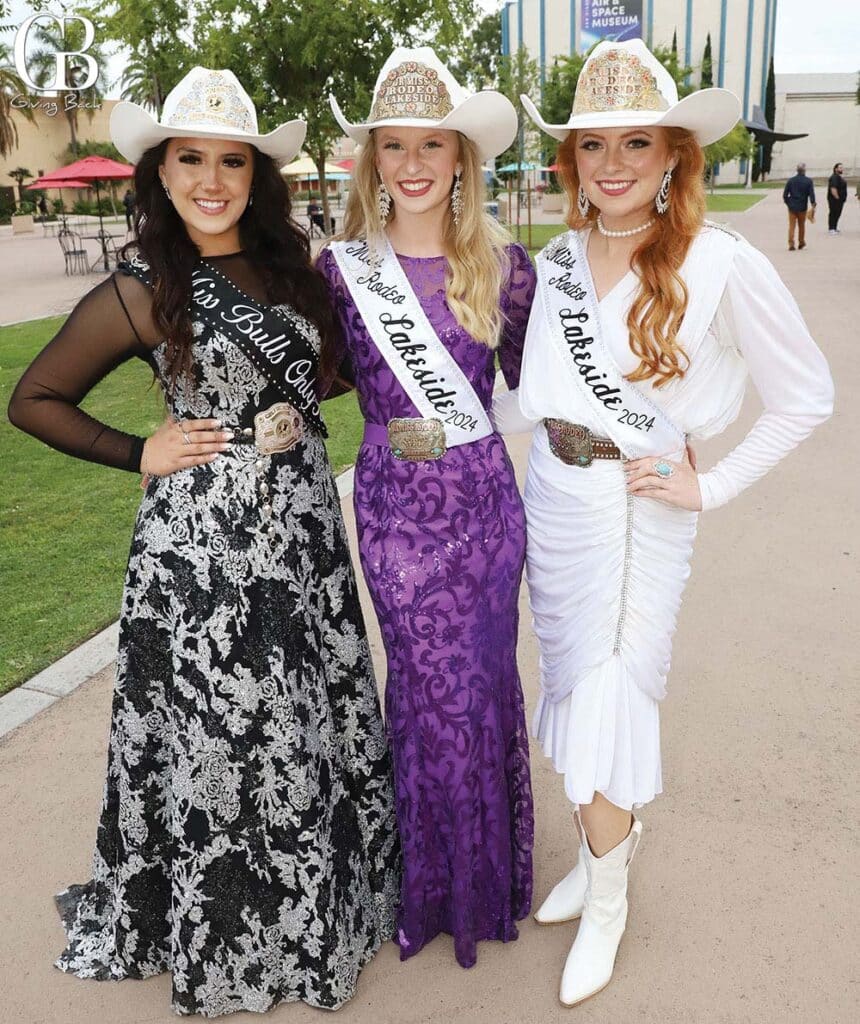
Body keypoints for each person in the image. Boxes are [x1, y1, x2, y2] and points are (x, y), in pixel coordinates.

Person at [7, 67, 400, 1017]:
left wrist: (285, 419)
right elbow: (34, 400)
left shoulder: (296, 268)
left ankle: (322, 906)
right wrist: (140, 449)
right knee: (223, 735)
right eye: (192, 159)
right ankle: (234, 935)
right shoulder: (143, 285)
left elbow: (334, 375)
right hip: (201, 552)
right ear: (162, 170)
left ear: (258, 174)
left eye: (233, 161)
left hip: (300, 528)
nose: (212, 179)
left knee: (305, 712)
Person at [502, 40, 834, 1007]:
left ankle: (607, 900)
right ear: (570, 160)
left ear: (674, 156)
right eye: (593, 144)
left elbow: (806, 396)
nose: (612, 163)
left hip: (643, 512)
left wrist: (714, 488)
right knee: (569, 682)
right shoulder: (558, 261)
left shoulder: (719, 262)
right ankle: (603, 859)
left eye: (636, 142)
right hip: (555, 503)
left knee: (613, 699)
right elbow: (531, 397)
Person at [317, 47, 535, 969]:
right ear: (374, 161)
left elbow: (554, 391)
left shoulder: (506, 268)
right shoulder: (339, 272)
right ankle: (431, 884)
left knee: (479, 687)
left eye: (431, 145)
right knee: (422, 689)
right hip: (397, 514)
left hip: (484, 512)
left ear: (460, 160)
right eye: (393, 146)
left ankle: (488, 884)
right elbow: (310, 375)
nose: (412, 163)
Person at [783, 162, 816, 250]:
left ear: (797, 170)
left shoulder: (791, 180)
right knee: (801, 226)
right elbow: (811, 194)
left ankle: (791, 243)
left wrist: (788, 203)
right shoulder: (808, 181)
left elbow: (785, 195)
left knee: (791, 226)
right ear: (804, 170)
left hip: (792, 207)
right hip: (802, 206)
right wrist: (813, 204)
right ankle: (801, 242)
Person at [827, 162, 847, 234]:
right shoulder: (834, 177)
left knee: (838, 213)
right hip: (834, 200)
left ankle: (834, 227)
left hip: (840, 200)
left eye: (842, 167)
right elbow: (833, 188)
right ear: (836, 169)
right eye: (840, 168)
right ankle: (831, 228)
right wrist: (837, 198)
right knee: (833, 213)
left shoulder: (839, 177)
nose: (842, 169)